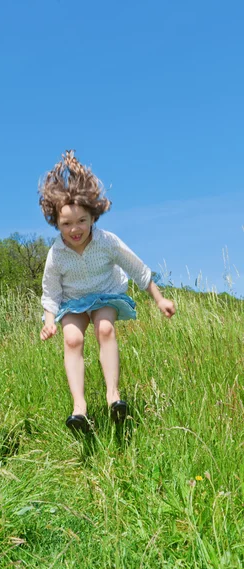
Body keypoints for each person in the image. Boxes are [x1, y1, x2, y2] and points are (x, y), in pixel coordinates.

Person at [39, 151, 175, 432]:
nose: (75, 229)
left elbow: (138, 268)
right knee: (73, 339)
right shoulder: (57, 254)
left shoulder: (107, 242)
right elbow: (50, 291)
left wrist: (159, 298)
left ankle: (114, 397)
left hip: (106, 293)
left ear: (93, 217)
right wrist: (48, 319)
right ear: (56, 224)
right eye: (66, 224)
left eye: (82, 221)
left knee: (104, 329)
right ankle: (80, 409)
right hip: (73, 301)